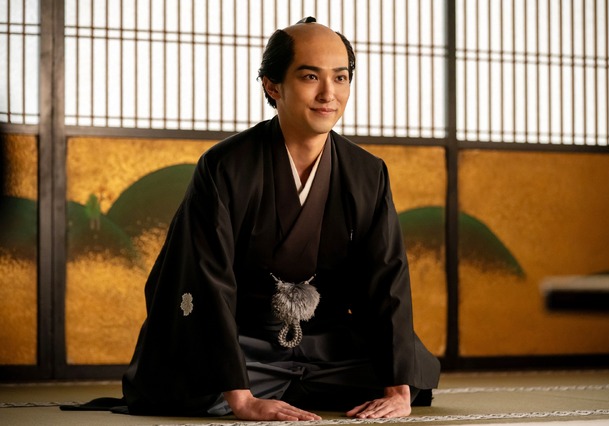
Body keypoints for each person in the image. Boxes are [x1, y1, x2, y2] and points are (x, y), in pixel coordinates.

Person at [74, 17, 440, 421]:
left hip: (323, 341)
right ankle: (248, 387)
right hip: (243, 339)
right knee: (190, 383)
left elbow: (387, 277)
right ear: (272, 85)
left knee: (411, 375)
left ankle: (293, 382)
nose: (328, 94)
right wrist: (242, 400)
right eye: (310, 77)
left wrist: (397, 391)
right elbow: (206, 279)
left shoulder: (367, 172)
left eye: (340, 77)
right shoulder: (226, 166)